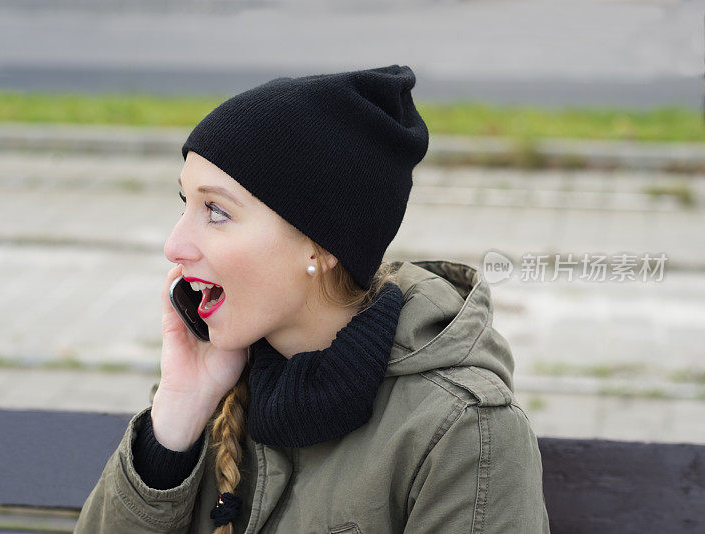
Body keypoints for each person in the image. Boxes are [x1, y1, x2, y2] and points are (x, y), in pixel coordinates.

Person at [74, 65, 550, 534]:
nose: (174, 246)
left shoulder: (463, 432)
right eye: (186, 205)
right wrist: (173, 425)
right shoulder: (213, 397)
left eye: (216, 211)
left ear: (321, 245)